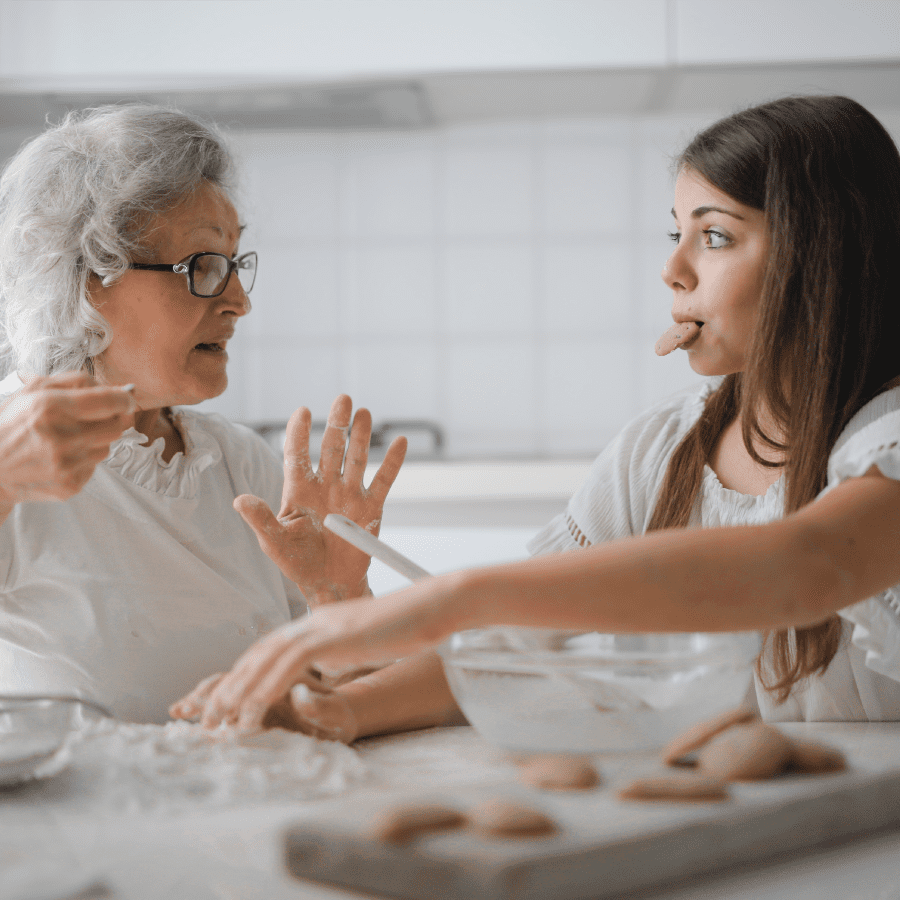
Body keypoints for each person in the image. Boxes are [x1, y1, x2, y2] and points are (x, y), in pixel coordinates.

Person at [176, 95, 900, 737]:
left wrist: (455, 597)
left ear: (823, 255)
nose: (672, 269)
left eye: (714, 235)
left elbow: (808, 564)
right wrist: (338, 713)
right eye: (674, 232)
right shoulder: (661, 448)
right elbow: (522, 644)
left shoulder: (887, 439)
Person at [0, 104, 405, 723]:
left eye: (236, 263)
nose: (238, 301)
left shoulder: (241, 462)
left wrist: (339, 597)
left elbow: (342, 705)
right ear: (82, 278)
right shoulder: (11, 454)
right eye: (203, 267)